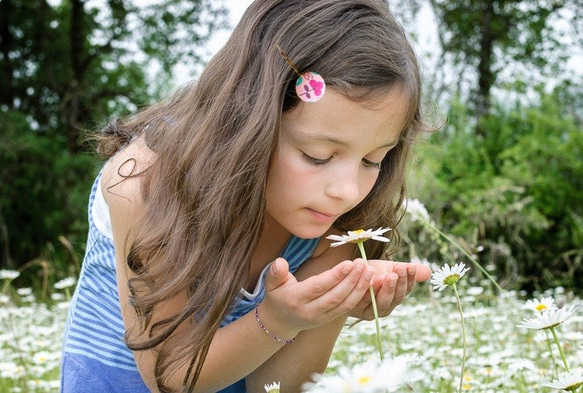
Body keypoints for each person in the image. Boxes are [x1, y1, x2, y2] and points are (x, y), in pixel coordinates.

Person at [60, 0, 435, 392]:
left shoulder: (344, 223)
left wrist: (331, 304)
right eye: (317, 156)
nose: (346, 191)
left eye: (373, 160)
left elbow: (273, 388)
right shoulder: (148, 181)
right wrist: (278, 320)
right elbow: (170, 379)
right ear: (249, 120)